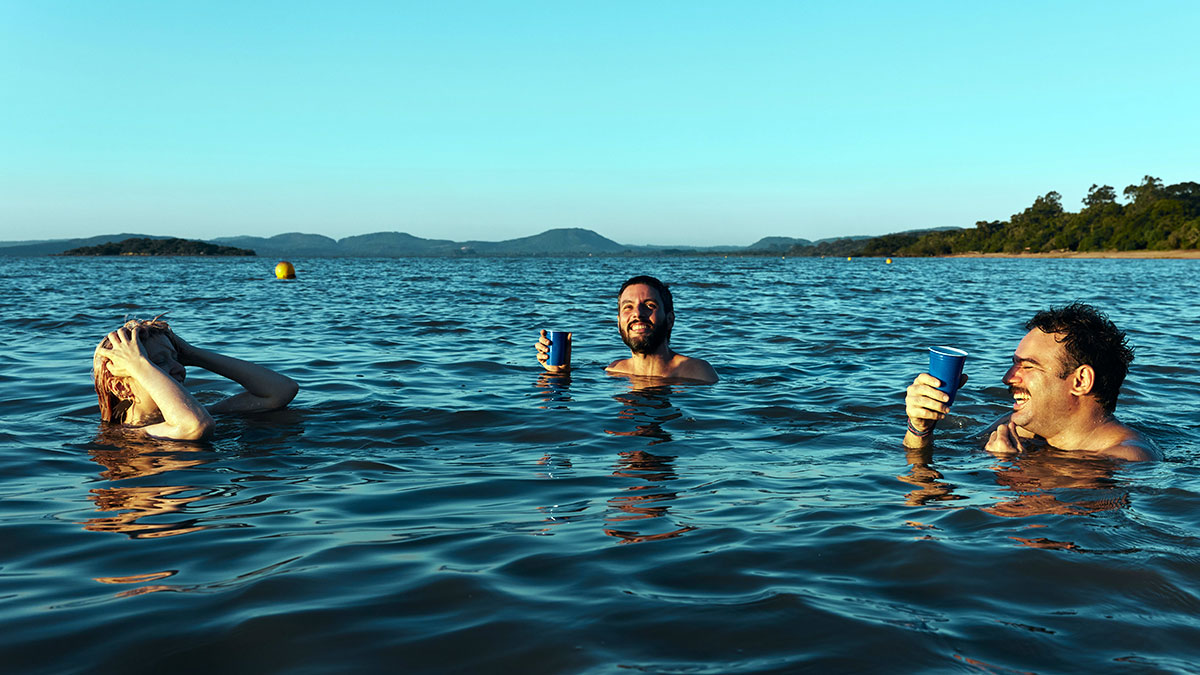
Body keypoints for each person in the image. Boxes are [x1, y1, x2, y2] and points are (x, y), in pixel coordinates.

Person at [904, 303, 1157, 461]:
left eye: (1027, 366)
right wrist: (920, 428)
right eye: (1013, 363)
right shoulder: (1018, 427)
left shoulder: (1127, 458)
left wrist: (1010, 469)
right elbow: (933, 461)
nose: (1007, 377)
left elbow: (1066, 529)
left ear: (1080, 381)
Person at [93, 317, 299, 441]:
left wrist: (192, 353)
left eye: (177, 358)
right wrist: (139, 364)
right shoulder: (132, 436)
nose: (179, 368)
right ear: (121, 387)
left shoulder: (204, 412)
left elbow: (282, 390)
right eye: (158, 362)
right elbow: (195, 426)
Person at [535, 275, 718, 383]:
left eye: (649, 305)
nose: (637, 314)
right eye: (628, 307)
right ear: (619, 322)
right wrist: (559, 374)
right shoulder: (614, 371)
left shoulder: (697, 373)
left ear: (670, 320)